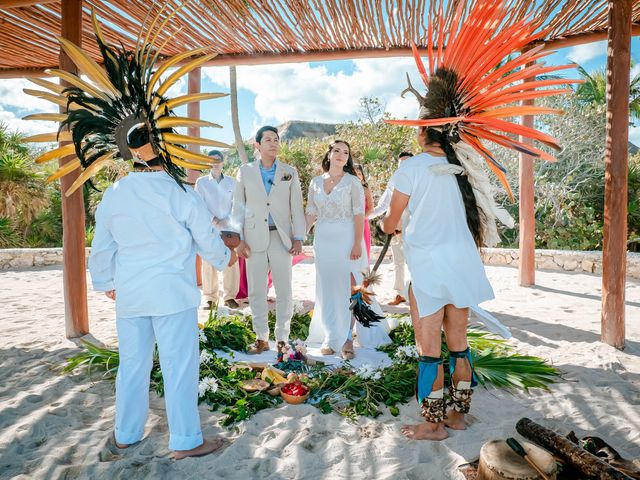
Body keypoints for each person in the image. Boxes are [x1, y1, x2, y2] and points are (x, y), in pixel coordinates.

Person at [89, 125, 237, 458]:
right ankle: (185, 441)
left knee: (132, 365)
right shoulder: (181, 193)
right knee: (179, 367)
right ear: (165, 150)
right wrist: (227, 257)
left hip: (131, 294)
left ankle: (125, 435)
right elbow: (207, 242)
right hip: (172, 294)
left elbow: (101, 246)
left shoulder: (115, 192)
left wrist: (107, 283)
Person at [382, 127, 493, 441]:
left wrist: (385, 224)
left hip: (429, 266)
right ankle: (458, 417)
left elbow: (391, 221)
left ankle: (432, 425)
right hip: (461, 263)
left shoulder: (412, 167)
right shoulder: (461, 168)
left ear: (421, 135)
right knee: (459, 345)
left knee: (428, 348)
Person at [305, 140, 388, 359]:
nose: (341, 154)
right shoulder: (315, 182)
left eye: (346, 152)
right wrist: (299, 236)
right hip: (323, 242)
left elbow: (359, 214)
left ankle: (348, 338)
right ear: (329, 154)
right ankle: (331, 335)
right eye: (337, 151)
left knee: (352, 288)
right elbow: (311, 213)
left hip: (348, 239)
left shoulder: (352, 182)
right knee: (328, 288)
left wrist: (356, 243)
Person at [231, 126, 306, 354]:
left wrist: (299, 237)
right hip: (253, 239)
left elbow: (297, 207)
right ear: (257, 145)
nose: (273, 143)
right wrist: (239, 240)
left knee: (284, 290)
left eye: (276, 139)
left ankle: (282, 338)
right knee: (256, 291)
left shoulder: (289, 172)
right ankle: (261, 338)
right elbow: (237, 208)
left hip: (281, 238)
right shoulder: (244, 171)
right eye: (268, 140)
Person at [195, 150, 240, 309]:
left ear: (223, 162)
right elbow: (199, 205)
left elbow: (237, 203)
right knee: (208, 263)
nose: (215, 162)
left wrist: (227, 220)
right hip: (210, 229)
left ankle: (230, 297)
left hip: (229, 228)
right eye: (212, 160)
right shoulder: (201, 183)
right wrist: (214, 220)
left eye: (218, 159)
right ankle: (210, 298)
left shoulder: (232, 182)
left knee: (231, 262)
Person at [369, 151, 414, 305]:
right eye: (401, 164)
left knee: (416, 262)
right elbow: (383, 205)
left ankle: (418, 294)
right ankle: (399, 293)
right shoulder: (394, 181)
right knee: (398, 262)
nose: (404, 167)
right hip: (395, 228)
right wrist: (365, 216)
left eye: (407, 163)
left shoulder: (421, 179)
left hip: (415, 230)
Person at [353, 163, 374, 261]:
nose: (357, 176)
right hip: (348, 223)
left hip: (363, 223)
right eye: (354, 173)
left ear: (362, 176)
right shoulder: (346, 189)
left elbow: (371, 209)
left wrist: (361, 220)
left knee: (363, 251)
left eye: (359, 173)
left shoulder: (365, 190)